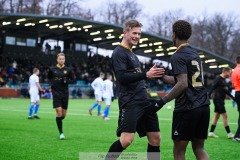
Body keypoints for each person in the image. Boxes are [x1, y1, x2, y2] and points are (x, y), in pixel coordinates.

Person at [105, 20, 165, 160]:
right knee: (126, 140)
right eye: (134, 33)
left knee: (155, 138)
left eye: (139, 34)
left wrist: (148, 75)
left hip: (144, 100)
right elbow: (122, 77)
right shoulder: (119, 52)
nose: (137, 36)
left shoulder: (132, 54)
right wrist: (146, 74)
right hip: (130, 101)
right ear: (125, 33)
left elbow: (135, 77)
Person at [159, 20, 210, 160]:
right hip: (203, 106)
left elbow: (182, 84)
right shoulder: (195, 54)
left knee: (179, 151)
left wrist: (162, 101)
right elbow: (184, 80)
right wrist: (163, 76)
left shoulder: (178, 55)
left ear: (174, 34)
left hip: (187, 108)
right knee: (199, 148)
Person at [48, 53, 73, 140]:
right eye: (60, 59)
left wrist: (67, 81)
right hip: (56, 93)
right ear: (57, 59)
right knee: (59, 112)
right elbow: (49, 78)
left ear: (64, 60)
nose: (61, 60)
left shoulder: (68, 70)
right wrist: (51, 85)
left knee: (63, 115)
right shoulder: (52, 69)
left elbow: (73, 79)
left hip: (65, 94)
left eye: (63, 59)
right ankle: (61, 133)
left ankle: (58, 120)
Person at [208, 67, 235, 139]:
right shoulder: (218, 79)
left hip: (221, 100)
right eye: (229, 72)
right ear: (225, 72)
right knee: (225, 116)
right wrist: (207, 97)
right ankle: (229, 134)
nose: (230, 74)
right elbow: (212, 88)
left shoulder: (223, 80)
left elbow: (225, 91)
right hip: (218, 100)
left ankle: (211, 132)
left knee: (217, 116)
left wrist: (233, 97)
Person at [231, 56, 240, 142]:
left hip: (237, 92)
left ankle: (237, 135)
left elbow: (233, 84)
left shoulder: (234, 70)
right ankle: (237, 135)